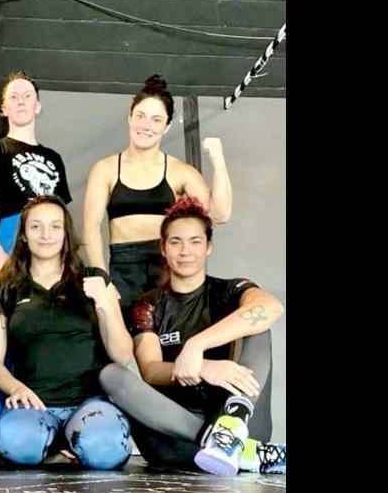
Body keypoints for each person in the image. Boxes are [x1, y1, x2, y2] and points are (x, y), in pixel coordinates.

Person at [99, 196, 286, 476]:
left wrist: (197, 345)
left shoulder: (229, 291)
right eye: (175, 242)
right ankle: (230, 447)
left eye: (195, 242)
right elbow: (150, 370)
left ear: (208, 247)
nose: (185, 251)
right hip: (177, 433)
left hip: (240, 420)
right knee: (110, 374)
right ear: (163, 248)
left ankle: (232, 426)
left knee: (258, 325)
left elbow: (271, 307)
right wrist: (203, 368)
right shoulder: (147, 305)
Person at [0, 196, 134, 470]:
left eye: (55, 226)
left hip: (89, 402)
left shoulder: (94, 279)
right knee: (17, 446)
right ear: (24, 236)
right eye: (36, 227)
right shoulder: (4, 289)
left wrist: (104, 304)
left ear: (66, 234)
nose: (46, 235)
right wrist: (15, 388)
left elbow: (122, 355)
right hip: (34, 403)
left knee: (106, 451)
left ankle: (77, 442)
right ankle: (55, 445)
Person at [82, 74, 232, 317]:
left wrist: (218, 161)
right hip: (124, 268)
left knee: (167, 342)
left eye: (156, 119)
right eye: (140, 116)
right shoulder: (105, 169)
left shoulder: (179, 171)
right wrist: (102, 278)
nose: (146, 125)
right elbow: (90, 227)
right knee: (121, 346)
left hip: (166, 265)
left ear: (167, 126)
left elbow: (220, 213)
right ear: (129, 117)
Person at [0, 72, 72, 289]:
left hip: (48, 240)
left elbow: (63, 216)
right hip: (9, 237)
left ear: (38, 106)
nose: (20, 101)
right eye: (14, 97)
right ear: (4, 108)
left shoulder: (53, 158)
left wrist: (67, 258)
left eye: (27, 96)